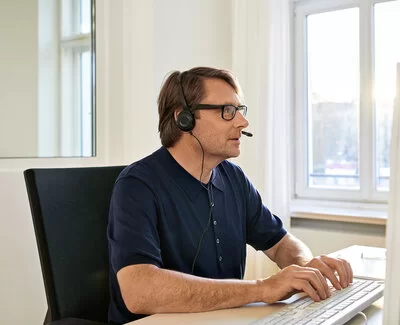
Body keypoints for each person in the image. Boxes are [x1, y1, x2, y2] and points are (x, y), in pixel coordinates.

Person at [107, 67, 353, 324]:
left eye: (239, 110)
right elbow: (139, 291)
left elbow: (281, 243)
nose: (242, 122)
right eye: (226, 111)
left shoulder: (233, 178)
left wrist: (306, 267)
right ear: (184, 119)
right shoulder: (137, 185)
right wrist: (262, 288)